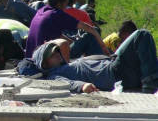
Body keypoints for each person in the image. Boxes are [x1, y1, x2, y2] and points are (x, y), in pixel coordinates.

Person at [18, 29, 158, 94]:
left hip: (118, 70)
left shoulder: (65, 66)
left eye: (56, 52)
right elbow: (67, 84)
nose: (57, 54)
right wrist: (82, 86)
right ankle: (150, 86)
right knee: (141, 35)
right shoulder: (53, 75)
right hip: (115, 73)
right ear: (45, 63)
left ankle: (150, 81)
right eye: (53, 55)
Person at [25, 0, 109, 58]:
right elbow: (90, 29)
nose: (66, 7)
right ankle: (102, 62)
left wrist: (75, 44)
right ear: (59, 3)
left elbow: (58, 36)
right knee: (91, 35)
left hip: (33, 57)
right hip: (46, 58)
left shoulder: (41, 11)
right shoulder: (57, 14)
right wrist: (103, 46)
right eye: (66, 3)